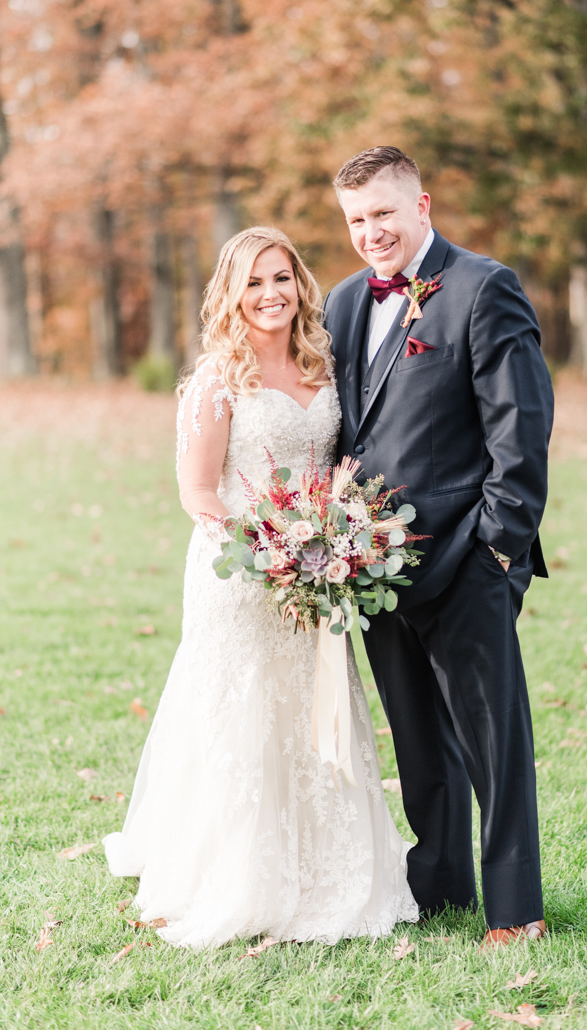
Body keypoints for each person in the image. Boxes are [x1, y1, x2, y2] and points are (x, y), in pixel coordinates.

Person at [103, 226, 418, 948]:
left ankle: (333, 865)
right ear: (232, 294)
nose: (270, 294)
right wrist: (268, 553)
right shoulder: (219, 377)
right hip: (240, 569)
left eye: (280, 278)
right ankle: (239, 872)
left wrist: (331, 542)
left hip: (320, 568)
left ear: (299, 284)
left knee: (318, 706)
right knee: (243, 713)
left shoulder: (324, 364)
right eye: (253, 282)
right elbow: (197, 490)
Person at [323, 147, 554, 947]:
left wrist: (499, 547)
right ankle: (443, 885)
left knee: (495, 744)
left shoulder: (484, 287)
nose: (370, 232)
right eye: (356, 219)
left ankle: (517, 908)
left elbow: (520, 430)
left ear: (422, 206)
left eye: (384, 213)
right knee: (419, 741)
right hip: (374, 567)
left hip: (468, 558)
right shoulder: (345, 303)